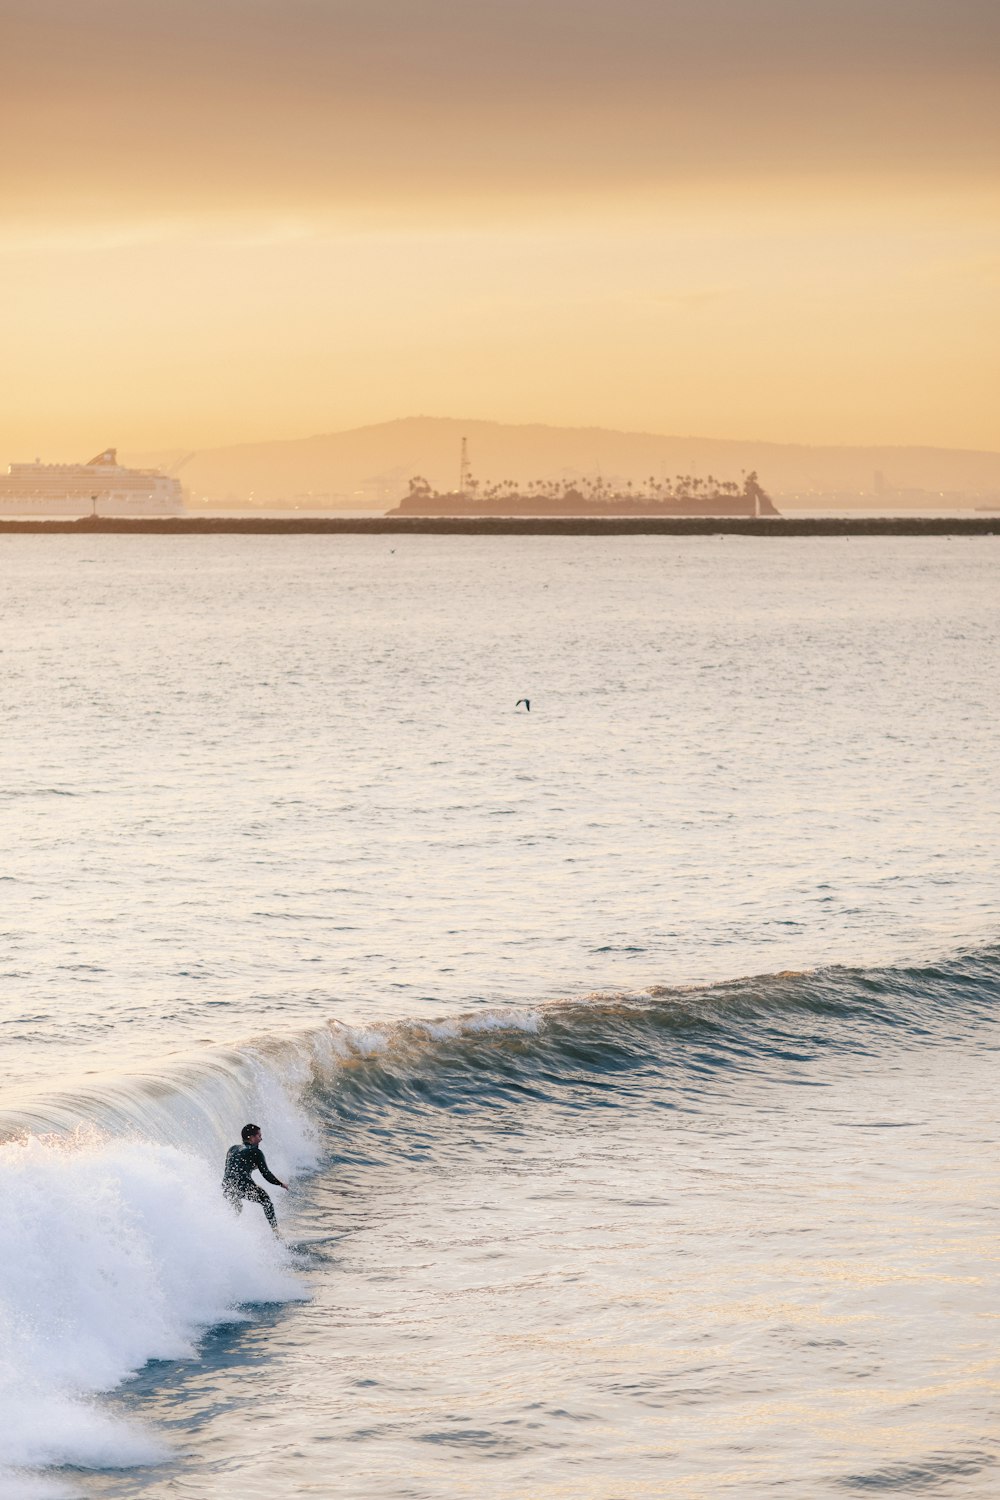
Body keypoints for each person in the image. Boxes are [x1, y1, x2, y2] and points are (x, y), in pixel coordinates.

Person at [222, 1123, 288, 1234]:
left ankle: (227, 1231)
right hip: (243, 1184)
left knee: (237, 1208)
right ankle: (276, 1233)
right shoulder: (256, 1152)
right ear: (251, 1137)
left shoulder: (232, 1149)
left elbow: (232, 1169)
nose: (261, 1139)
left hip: (226, 1185)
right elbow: (266, 1174)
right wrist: (281, 1184)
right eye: (259, 1136)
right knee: (266, 1200)